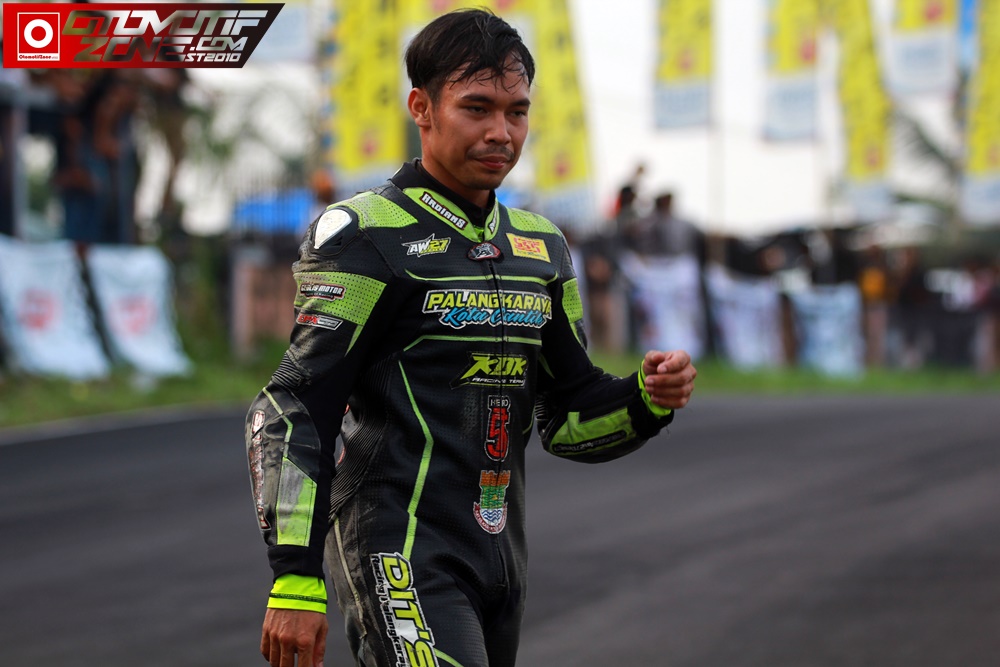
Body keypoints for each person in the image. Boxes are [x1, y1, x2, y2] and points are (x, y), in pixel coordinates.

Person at [244, 9, 696, 667]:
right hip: (395, 547)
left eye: (517, 112)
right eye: (477, 107)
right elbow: (292, 410)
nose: (500, 132)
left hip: (500, 558)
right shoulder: (365, 234)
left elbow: (568, 419)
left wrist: (648, 398)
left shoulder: (543, 247)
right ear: (421, 108)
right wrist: (294, 577)